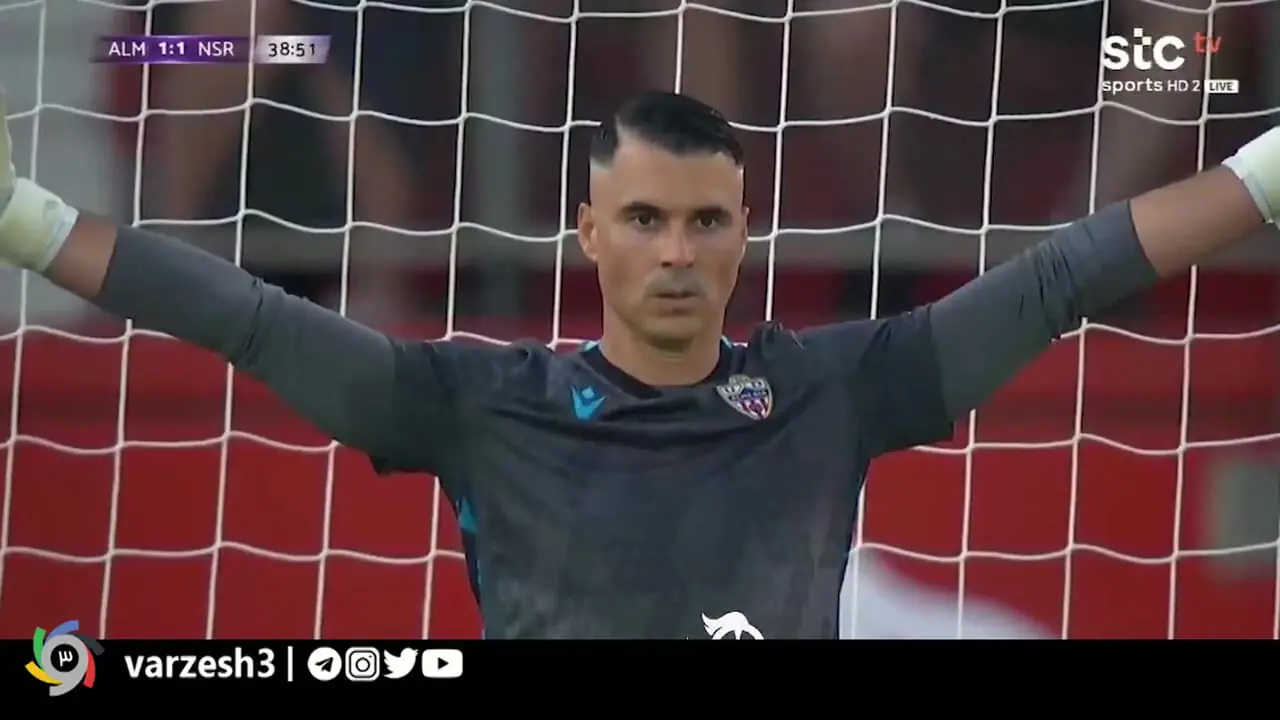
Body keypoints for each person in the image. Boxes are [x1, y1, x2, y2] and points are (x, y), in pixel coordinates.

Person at [0, 88, 1275, 639]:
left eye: (706, 220)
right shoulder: (476, 406)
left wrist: (1262, 176)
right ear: (588, 235)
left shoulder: (836, 389)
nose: (676, 252)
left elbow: (1062, 278)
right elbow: (249, 319)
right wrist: (23, 217)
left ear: (744, 235)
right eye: (646, 220)